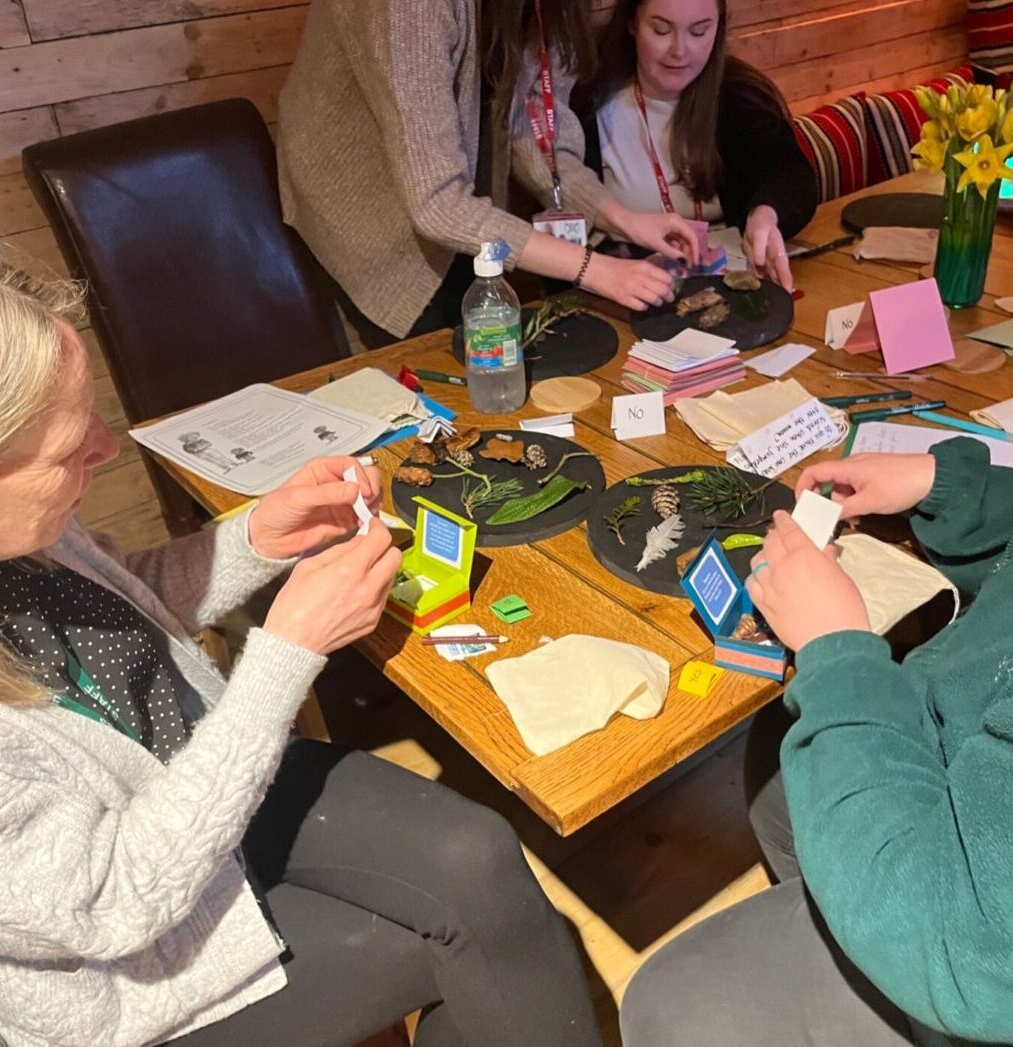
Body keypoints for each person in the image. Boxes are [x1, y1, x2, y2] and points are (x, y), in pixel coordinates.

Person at [0, 264, 603, 1047]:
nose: (107, 448)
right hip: (122, 967)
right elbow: (114, 898)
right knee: (462, 944)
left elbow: (123, 607)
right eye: (70, 446)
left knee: (479, 856)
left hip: (196, 776)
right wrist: (288, 651)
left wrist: (256, 538)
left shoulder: (33, 530)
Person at [620, 349, 1013, 1044]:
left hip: (977, 964)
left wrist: (837, 653)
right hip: (976, 822)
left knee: (675, 1005)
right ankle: (848, 906)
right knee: (779, 759)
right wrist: (950, 489)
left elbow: (978, 951)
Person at [278, 0, 703, 347]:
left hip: (457, 211)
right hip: (366, 216)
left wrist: (622, 218)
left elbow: (534, 123)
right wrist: (596, 269)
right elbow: (436, 203)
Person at [580, 0, 817, 290]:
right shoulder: (588, 102)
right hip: (628, 293)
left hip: (730, 287)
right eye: (661, 30)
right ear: (632, 22)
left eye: (699, 31)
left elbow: (791, 177)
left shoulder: (738, 94)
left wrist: (765, 215)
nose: (680, 50)